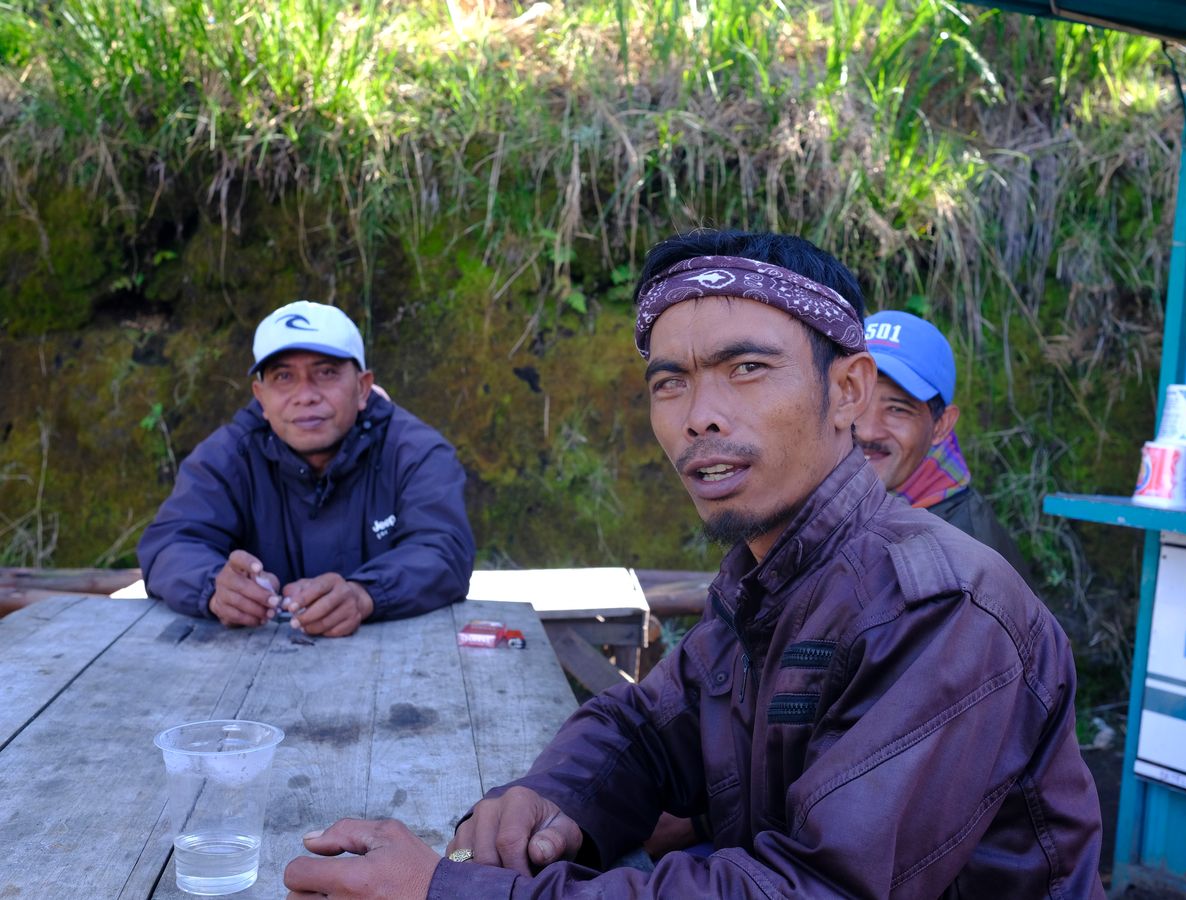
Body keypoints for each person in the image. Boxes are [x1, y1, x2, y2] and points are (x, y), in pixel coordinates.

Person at [282, 232, 1105, 898]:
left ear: (848, 391)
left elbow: (817, 890)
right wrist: (555, 796)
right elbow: (647, 727)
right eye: (669, 383)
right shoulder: (765, 575)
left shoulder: (944, 607)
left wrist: (451, 894)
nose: (700, 418)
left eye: (747, 369)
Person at [137, 301, 475, 638]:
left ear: (362, 388)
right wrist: (215, 588)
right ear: (261, 397)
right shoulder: (226, 457)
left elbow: (443, 550)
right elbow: (170, 543)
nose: (305, 395)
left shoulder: (417, 452)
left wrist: (365, 595)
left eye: (326, 372)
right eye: (284, 376)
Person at [856, 309, 1033, 584]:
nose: (866, 430)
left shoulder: (969, 564)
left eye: (896, 409)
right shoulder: (820, 505)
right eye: (855, 400)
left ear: (941, 425)